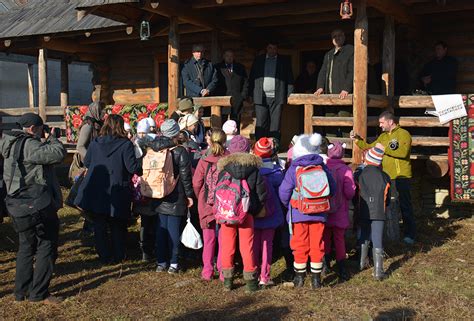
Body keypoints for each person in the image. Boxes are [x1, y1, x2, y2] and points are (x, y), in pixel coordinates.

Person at [0, 113, 66, 304]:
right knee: (47, 244)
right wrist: (52, 138)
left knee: (26, 247)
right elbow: (57, 154)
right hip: (36, 203)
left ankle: (20, 292)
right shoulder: (29, 145)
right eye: (40, 128)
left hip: (17, 202)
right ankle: (38, 293)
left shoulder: (8, 142)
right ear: (31, 129)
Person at [74, 114, 142, 264]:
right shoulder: (125, 145)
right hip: (118, 188)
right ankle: (118, 255)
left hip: (98, 188)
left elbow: (88, 162)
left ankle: (104, 255)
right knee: (118, 224)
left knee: (99, 223)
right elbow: (132, 168)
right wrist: (141, 164)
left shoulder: (95, 143)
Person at [279, 133, 336, 290]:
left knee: (299, 244)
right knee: (318, 243)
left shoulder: (294, 168)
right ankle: (316, 280)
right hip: (319, 213)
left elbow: (284, 191)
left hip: (299, 212)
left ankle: (299, 278)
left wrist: (289, 205)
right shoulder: (323, 166)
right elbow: (333, 188)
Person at [351, 111, 415, 244]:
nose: (380, 125)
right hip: (387, 177)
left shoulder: (404, 134)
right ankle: (390, 234)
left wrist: (384, 149)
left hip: (401, 176)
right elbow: (370, 147)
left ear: (390, 122)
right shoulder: (382, 136)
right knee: (389, 206)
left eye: (382, 122)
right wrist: (357, 140)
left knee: (405, 205)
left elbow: (403, 153)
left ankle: (410, 234)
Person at [217, 135, 267, 292]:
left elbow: (216, 191)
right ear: (247, 149)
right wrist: (255, 209)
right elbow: (261, 193)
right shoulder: (254, 169)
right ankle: (251, 283)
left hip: (227, 212)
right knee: (247, 247)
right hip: (246, 213)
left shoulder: (224, 169)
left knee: (227, 246)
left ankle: (228, 281)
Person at [148, 119, 194, 273]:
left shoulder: (153, 147)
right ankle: (174, 263)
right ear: (175, 133)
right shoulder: (180, 151)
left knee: (161, 229)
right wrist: (190, 195)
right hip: (176, 195)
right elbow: (186, 176)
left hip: (157, 192)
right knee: (173, 230)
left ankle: (161, 262)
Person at [192, 128, 229, 281]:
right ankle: (222, 269)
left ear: (210, 140)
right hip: (225, 203)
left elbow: (196, 182)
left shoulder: (203, 159)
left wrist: (199, 196)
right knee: (224, 239)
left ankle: (207, 271)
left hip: (206, 201)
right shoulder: (229, 158)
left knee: (208, 239)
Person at [354, 145, 391, 281]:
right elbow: (387, 198)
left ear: (367, 159)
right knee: (377, 239)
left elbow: (355, 193)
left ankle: (362, 263)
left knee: (364, 235)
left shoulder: (359, 175)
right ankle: (378, 271)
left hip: (364, 209)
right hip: (379, 212)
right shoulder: (385, 176)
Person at [252, 137, 285, 287]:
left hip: (254, 212)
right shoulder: (277, 172)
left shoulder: (252, 172)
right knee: (267, 244)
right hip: (271, 212)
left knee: (254, 243)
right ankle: (264, 276)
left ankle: (254, 271)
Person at [322, 142, 356, 281]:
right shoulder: (346, 170)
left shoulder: (323, 168)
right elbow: (350, 193)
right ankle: (342, 267)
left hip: (325, 210)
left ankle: (325, 265)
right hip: (340, 211)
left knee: (325, 238)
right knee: (339, 239)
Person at [249, 41, 294, 140]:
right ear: (267, 48)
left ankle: (274, 147)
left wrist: (289, 94)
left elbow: (289, 78)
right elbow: (252, 77)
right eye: (270, 48)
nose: (272, 50)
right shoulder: (259, 60)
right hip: (260, 96)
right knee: (261, 123)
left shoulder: (283, 61)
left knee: (275, 124)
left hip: (278, 97)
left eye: (274, 48)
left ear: (277, 49)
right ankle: (260, 146)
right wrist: (250, 94)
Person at [73, 102, 104, 235]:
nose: (103, 113)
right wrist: (91, 160)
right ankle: (89, 226)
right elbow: (80, 147)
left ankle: (91, 226)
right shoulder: (87, 126)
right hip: (88, 165)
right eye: (101, 110)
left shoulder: (98, 125)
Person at [315, 29, 354, 99]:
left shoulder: (350, 50)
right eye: (334, 36)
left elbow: (352, 71)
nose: (337, 38)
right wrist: (320, 87)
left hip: (345, 95)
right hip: (329, 96)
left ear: (344, 37)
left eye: (339, 35)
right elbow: (323, 72)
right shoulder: (328, 54)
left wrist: (346, 88)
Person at [215, 49, 249, 128]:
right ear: (224, 57)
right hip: (223, 99)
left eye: (231, 56)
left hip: (237, 99)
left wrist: (242, 96)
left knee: (235, 124)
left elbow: (246, 82)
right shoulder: (218, 68)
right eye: (227, 56)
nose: (229, 58)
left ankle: (236, 140)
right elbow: (214, 82)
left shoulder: (240, 68)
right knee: (222, 123)